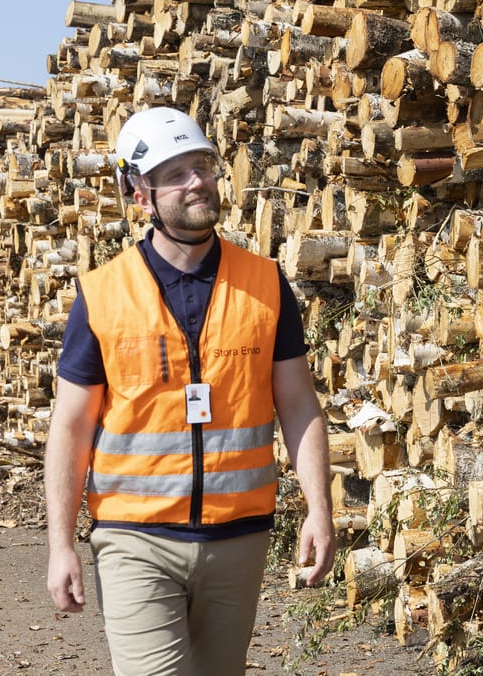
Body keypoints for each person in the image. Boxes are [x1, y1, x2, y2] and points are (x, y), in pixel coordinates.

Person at [44, 106, 335, 675]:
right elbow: (72, 426)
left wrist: (319, 510)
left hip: (239, 539)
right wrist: (61, 544)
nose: (197, 180)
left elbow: (299, 404)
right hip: (134, 539)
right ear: (139, 194)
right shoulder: (103, 295)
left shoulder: (266, 283)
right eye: (175, 173)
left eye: (201, 165)